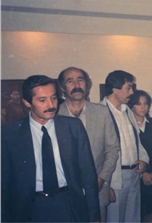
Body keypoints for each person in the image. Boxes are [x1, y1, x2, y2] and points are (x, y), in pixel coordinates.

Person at [1, 75, 100, 222]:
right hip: (30, 208)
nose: (51, 105)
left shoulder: (73, 127)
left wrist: (94, 216)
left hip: (68, 203)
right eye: (42, 100)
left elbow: (88, 175)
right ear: (27, 102)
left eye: (53, 98)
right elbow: (4, 183)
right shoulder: (9, 134)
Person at [57, 67, 120, 222]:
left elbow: (112, 149)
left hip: (98, 190)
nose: (76, 84)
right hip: (65, 193)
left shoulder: (102, 112)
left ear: (87, 84)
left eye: (80, 79)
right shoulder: (55, 114)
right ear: (62, 87)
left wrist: (101, 179)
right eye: (70, 81)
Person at [100, 70, 149, 223]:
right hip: (115, 178)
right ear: (115, 89)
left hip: (134, 174)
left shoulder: (128, 111)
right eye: (128, 88)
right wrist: (105, 185)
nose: (132, 92)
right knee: (115, 220)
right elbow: (96, 153)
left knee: (134, 219)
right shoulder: (99, 112)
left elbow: (137, 142)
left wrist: (144, 161)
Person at [128, 90, 152, 222]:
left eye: (146, 104)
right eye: (139, 104)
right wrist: (143, 173)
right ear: (132, 106)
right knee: (137, 214)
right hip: (136, 174)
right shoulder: (127, 124)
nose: (143, 107)